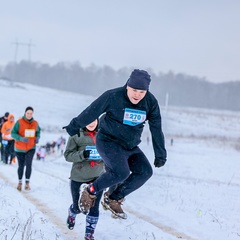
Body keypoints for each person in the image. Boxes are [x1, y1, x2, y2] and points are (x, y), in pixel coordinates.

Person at [63, 69, 167, 219]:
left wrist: (160, 154)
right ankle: (90, 190)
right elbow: (92, 111)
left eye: (142, 92)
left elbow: (156, 127)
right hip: (108, 142)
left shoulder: (150, 102)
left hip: (130, 146)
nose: (137, 94)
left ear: (147, 91)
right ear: (127, 86)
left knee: (145, 172)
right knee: (121, 172)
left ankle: (113, 198)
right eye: (134, 90)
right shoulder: (113, 96)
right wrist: (74, 126)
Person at [64, 119, 104, 240]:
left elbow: (110, 153)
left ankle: (89, 235)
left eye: (94, 120)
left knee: (94, 207)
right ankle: (72, 213)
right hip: (79, 177)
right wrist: (83, 154)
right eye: (88, 120)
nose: (91, 123)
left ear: (98, 121)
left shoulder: (103, 135)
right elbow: (67, 155)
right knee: (78, 208)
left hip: (97, 178)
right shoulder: (76, 135)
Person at [11, 106, 41, 191]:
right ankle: (20, 182)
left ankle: (27, 183)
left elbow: (38, 132)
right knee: (21, 166)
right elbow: (13, 133)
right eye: (28, 113)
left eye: (31, 113)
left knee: (29, 164)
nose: (29, 115)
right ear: (25, 113)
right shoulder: (19, 122)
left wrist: (37, 138)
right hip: (19, 148)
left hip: (31, 147)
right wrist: (21, 138)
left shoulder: (35, 123)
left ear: (32, 114)